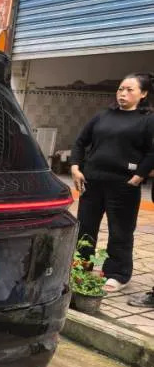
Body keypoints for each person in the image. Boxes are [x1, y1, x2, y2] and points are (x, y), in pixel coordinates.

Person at [71, 72, 154, 295]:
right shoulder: (102, 116)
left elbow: (152, 152)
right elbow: (80, 142)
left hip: (124, 185)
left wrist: (139, 176)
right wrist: (75, 167)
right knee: (85, 228)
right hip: (92, 182)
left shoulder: (147, 120)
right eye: (120, 89)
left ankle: (117, 274)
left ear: (143, 94)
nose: (123, 93)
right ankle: (81, 267)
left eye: (129, 90)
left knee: (120, 231)